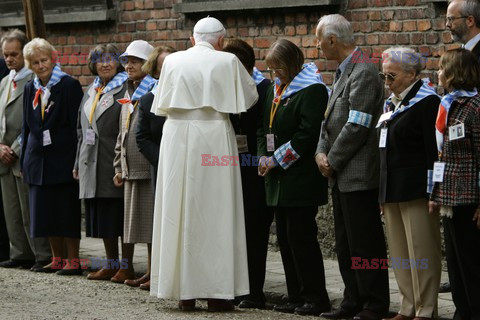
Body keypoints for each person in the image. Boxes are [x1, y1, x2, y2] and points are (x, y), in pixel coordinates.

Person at [150, 16, 258, 312]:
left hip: (176, 135)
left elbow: (159, 102)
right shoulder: (227, 61)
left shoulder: (172, 61)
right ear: (221, 41)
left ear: (192, 39)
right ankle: (216, 292)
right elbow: (250, 96)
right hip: (213, 135)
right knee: (216, 209)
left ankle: (182, 291)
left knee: (178, 206)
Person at [315, 14, 390, 320]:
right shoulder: (343, 70)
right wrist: (320, 152)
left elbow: (357, 124)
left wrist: (332, 159)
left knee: (366, 244)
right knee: (345, 244)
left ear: (332, 40)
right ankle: (352, 301)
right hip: (339, 173)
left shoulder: (364, 72)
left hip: (357, 173)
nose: (317, 46)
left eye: (319, 39)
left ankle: (374, 303)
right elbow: (329, 120)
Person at [257, 39, 331, 316]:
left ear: (293, 63)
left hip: (300, 177)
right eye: (272, 70)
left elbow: (307, 135)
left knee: (302, 238)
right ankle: (295, 294)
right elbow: (263, 128)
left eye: (280, 69)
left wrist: (276, 160)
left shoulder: (312, 89)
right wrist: (262, 156)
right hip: (277, 177)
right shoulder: (277, 89)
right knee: (286, 239)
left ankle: (316, 296)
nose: (276, 74)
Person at [379, 47, 442, 320]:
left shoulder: (428, 102)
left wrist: (433, 191)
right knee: (401, 254)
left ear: (412, 74)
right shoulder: (391, 102)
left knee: (422, 252)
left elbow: (434, 152)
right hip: (391, 188)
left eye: (391, 76)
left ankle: (425, 310)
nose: (387, 82)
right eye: (384, 76)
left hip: (417, 189)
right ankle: (407, 306)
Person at [21, 38, 83, 275]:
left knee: (65, 210)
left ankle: (73, 260)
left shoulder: (68, 85)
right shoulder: (30, 87)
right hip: (38, 159)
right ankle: (57, 259)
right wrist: (25, 160)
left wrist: (76, 161)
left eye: (44, 60)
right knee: (45, 211)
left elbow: (76, 125)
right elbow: (27, 126)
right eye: (35, 62)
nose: (40, 65)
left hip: (63, 158)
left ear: (53, 59)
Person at [222, 39, 274, 310]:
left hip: (255, 170)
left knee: (255, 231)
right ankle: (233, 287)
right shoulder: (225, 90)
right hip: (229, 170)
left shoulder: (264, 88)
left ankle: (254, 291)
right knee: (232, 231)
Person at [430, 48, 480, 320]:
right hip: (448, 195)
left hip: (468, 197)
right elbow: (441, 154)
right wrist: (433, 192)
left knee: (471, 262)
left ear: (455, 73)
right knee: (456, 262)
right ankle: (462, 311)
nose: (438, 73)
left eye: (442, 68)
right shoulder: (447, 104)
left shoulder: (474, 107)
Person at [73, 44, 128, 281]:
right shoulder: (91, 90)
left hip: (112, 160)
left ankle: (125, 266)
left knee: (121, 215)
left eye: (110, 59)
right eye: (99, 60)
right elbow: (80, 130)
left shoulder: (126, 88)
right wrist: (77, 161)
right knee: (105, 216)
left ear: (118, 62)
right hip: (90, 162)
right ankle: (111, 263)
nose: (105, 64)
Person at [0, 30, 51, 272]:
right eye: (6, 55)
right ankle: (20, 252)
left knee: (28, 207)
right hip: (3, 154)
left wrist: (15, 148)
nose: (9, 59)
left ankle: (40, 254)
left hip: (23, 151)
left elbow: (33, 121)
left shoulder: (33, 80)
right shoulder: (4, 82)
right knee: (11, 209)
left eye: (14, 54)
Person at [131, 45, 175, 291]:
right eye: (163, 65)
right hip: (162, 168)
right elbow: (142, 137)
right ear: (156, 71)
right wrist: (165, 160)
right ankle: (159, 273)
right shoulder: (148, 100)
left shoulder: (187, 95)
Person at [112, 40, 156, 283]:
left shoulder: (153, 90)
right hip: (130, 167)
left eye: (136, 61)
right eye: (127, 61)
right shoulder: (129, 90)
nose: (129, 65)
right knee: (135, 223)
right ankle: (145, 271)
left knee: (150, 225)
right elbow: (123, 130)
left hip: (146, 166)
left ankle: (153, 272)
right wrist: (119, 164)